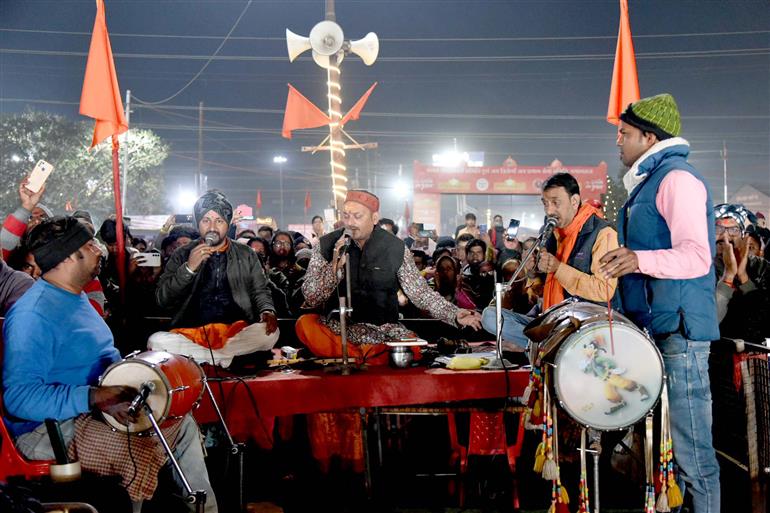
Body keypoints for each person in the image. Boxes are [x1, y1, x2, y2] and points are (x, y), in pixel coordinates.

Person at [2, 216, 217, 512]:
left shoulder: (76, 298)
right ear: (67, 257)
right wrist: (95, 396)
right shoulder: (32, 315)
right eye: (89, 245)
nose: (100, 250)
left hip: (93, 408)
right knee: (137, 450)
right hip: (46, 428)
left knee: (181, 421)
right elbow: (19, 399)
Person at [599, 93, 720, 513]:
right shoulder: (650, 181)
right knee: (669, 453)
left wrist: (637, 258)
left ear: (649, 137)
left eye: (625, 133)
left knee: (693, 457)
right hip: (659, 328)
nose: (618, 141)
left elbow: (697, 256)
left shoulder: (677, 180)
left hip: (681, 334)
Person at [296, 189, 482, 364]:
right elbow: (311, 297)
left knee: (411, 345)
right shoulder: (325, 245)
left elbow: (421, 293)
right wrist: (334, 266)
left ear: (374, 218)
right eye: (346, 215)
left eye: (357, 216)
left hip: (382, 331)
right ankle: (366, 356)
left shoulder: (395, 248)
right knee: (305, 325)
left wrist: (454, 314)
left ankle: (363, 356)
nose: (350, 222)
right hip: (338, 329)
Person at [481, 172, 618, 349]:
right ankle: (546, 345)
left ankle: (546, 347)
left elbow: (604, 291)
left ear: (574, 201)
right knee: (491, 316)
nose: (549, 210)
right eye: (545, 203)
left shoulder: (602, 233)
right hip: (551, 316)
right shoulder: (553, 232)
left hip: (581, 324)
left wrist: (558, 268)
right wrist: (532, 271)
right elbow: (542, 287)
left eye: (555, 202)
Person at [152, 190, 279, 367]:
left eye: (219, 220)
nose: (212, 227)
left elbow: (260, 290)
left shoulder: (246, 253)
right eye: (206, 220)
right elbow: (162, 300)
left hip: (236, 331)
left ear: (227, 224)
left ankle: (208, 358)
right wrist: (188, 268)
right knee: (156, 341)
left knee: (270, 333)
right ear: (198, 224)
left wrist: (267, 310)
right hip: (190, 333)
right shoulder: (182, 254)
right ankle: (226, 359)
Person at [1, 176, 53, 260]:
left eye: (43, 217)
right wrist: (27, 206)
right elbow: (4, 245)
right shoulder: (10, 262)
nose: (36, 221)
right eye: (30, 217)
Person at [460, 238, 495, 310]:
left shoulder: (493, 273)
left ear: (484, 254)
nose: (475, 256)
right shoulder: (462, 276)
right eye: (471, 253)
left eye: (478, 252)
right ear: (467, 255)